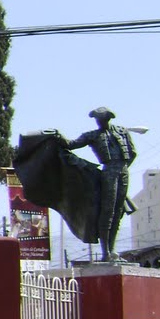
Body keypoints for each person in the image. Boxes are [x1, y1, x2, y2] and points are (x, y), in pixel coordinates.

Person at [62, 107, 137, 263]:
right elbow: (71, 144)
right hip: (108, 171)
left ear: (108, 118)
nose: (99, 122)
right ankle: (106, 252)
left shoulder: (122, 131)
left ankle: (112, 250)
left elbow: (133, 153)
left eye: (101, 119)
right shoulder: (93, 136)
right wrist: (57, 136)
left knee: (118, 212)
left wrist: (122, 168)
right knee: (107, 211)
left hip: (123, 171)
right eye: (97, 119)